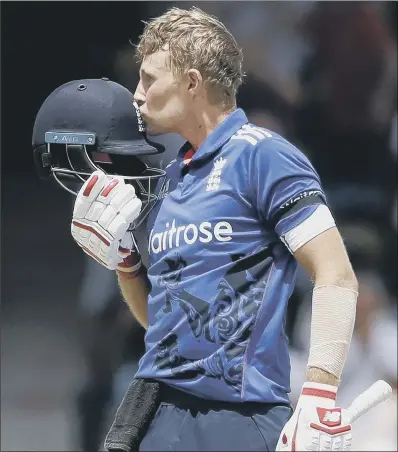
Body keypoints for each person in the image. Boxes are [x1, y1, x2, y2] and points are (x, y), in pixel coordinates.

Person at [33, 7, 390, 452]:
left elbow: (336, 275)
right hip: (158, 414)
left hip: (240, 417)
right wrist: (124, 262)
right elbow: (162, 327)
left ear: (192, 82)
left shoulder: (264, 156)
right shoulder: (169, 177)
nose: (137, 96)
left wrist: (318, 395)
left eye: (148, 79)